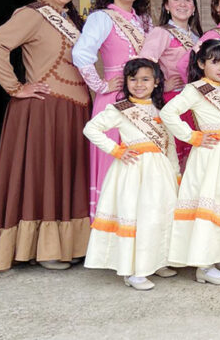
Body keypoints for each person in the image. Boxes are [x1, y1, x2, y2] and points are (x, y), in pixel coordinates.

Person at [0, 0, 91, 271]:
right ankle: (45, 250)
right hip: (45, 110)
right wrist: (15, 87)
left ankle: (69, 244)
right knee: (45, 177)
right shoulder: (32, 15)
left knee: (68, 176)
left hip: (75, 112)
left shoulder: (71, 21)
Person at [162, 40, 220, 285]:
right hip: (211, 154)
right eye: (215, 62)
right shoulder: (194, 89)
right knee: (212, 203)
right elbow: (167, 113)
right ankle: (204, 264)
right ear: (202, 63)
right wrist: (192, 136)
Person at [83, 58, 179, 290]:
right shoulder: (120, 108)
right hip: (134, 171)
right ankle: (134, 270)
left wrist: (175, 173)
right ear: (126, 82)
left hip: (160, 171)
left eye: (145, 79)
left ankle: (157, 261)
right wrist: (116, 150)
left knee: (160, 215)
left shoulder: (161, 109)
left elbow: (170, 144)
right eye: (133, 79)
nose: (139, 84)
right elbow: (91, 129)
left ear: (156, 82)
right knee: (138, 216)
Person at [73, 0, 152, 218]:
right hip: (115, 97)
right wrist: (100, 84)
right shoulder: (102, 17)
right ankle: (111, 226)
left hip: (142, 97)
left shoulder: (144, 22)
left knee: (140, 156)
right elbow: (81, 52)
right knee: (116, 156)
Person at [139, 0, 202, 169]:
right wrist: (160, 85)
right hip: (173, 101)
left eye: (187, 0)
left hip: (194, 102)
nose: (182, 4)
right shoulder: (161, 32)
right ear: (167, 6)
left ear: (194, 8)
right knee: (176, 155)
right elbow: (144, 64)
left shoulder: (197, 37)